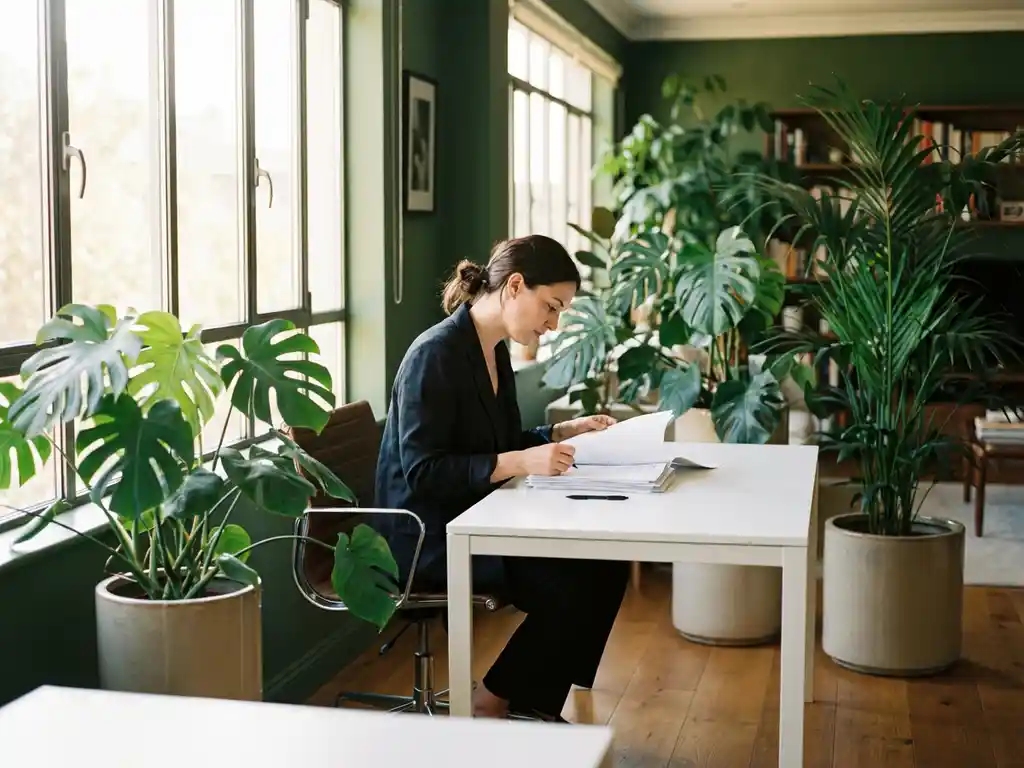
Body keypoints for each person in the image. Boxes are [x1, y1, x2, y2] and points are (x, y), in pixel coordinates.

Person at [375, 234, 630, 722]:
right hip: (425, 534)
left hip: (475, 516)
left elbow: (501, 440)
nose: (553, 324)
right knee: (572, 584)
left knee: (605, 563)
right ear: (515, 286)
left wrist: (559, 431)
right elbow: (425, 471)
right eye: (551, 307)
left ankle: (532, 704)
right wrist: (520, 462)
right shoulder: (434, 355)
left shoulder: (493, 352)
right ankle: (494, 699)